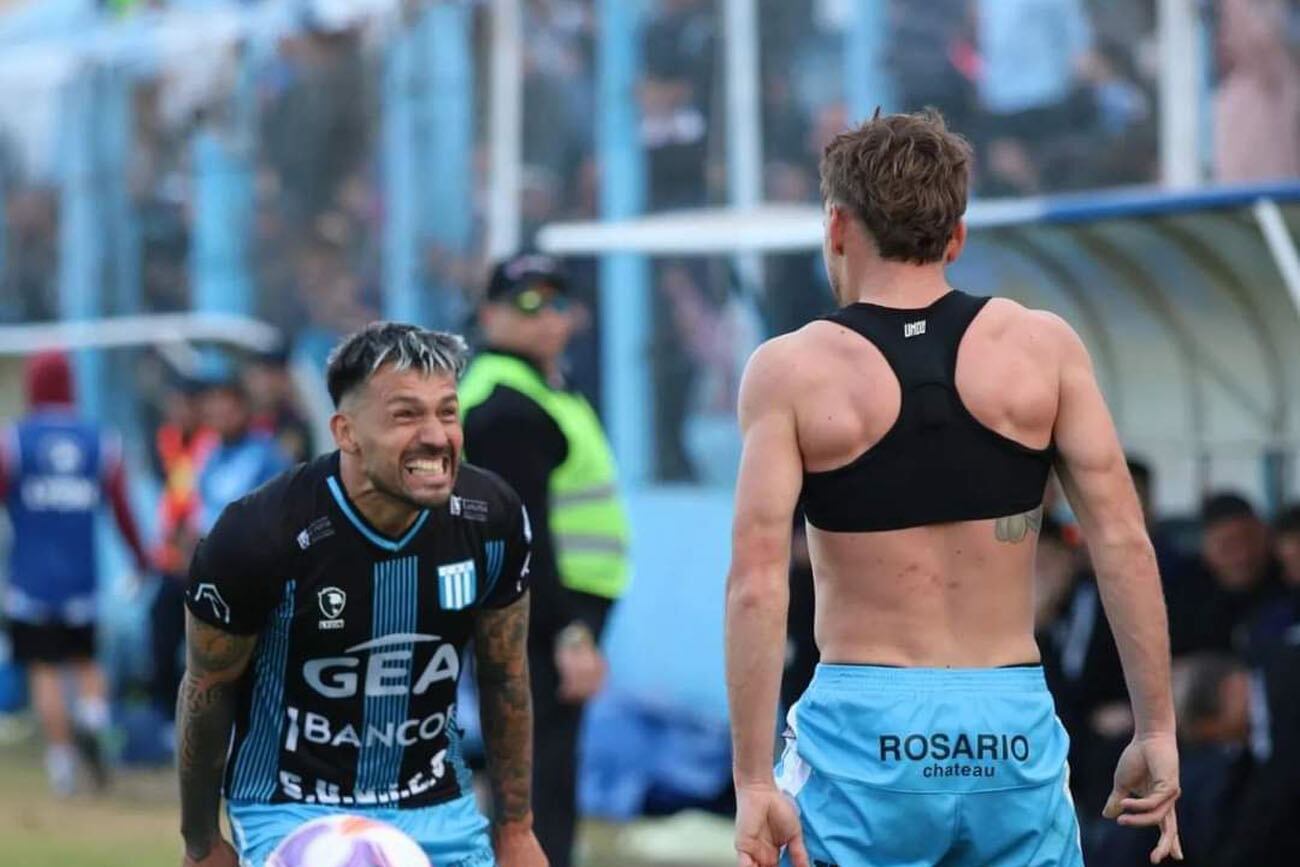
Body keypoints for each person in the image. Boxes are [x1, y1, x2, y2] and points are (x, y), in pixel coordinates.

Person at [724, 110, 1181, 867]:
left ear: (837, 226)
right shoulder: (1043, 347)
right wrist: (1156, 728)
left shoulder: (793, 370)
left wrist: (749, 778)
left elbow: (755, 583)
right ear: (956, 236)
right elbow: (1124, 544)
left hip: (866, 725)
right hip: (1009, 720)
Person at [176, 324, 546, 867]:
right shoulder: (259, 535)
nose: (437, 436)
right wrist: (201, 841)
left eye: (447, 412)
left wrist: (516, 828)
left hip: (436, 808)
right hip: (291, 809)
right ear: (346, 433)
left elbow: (505, 674)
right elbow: (208, 689)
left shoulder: (491, 519)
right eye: (405, 415)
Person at [460, 253, 631, 867]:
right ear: (489, 314)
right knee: (533, 778)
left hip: (549, 608)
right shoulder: (506, 403)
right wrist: (568, 630)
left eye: (557, 302)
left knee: (538, 771)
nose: (546, 317)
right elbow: (521, 532)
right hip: (537, 611)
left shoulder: (541, 386)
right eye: (526, 304)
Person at [0, 351, 150, 795]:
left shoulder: (14, 441)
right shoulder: (100, 441)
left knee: (44, 669)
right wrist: (139, 558)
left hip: (30, 583)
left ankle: (63, 764)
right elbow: (122, 510)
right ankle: (94, 716)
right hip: (82, 582)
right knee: (86, 661)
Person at [193, 375, 292, 533]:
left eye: (227, 402)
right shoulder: (208, 455)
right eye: (213, 401)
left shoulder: (266, 453)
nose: (219, 410)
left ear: (243, 406)